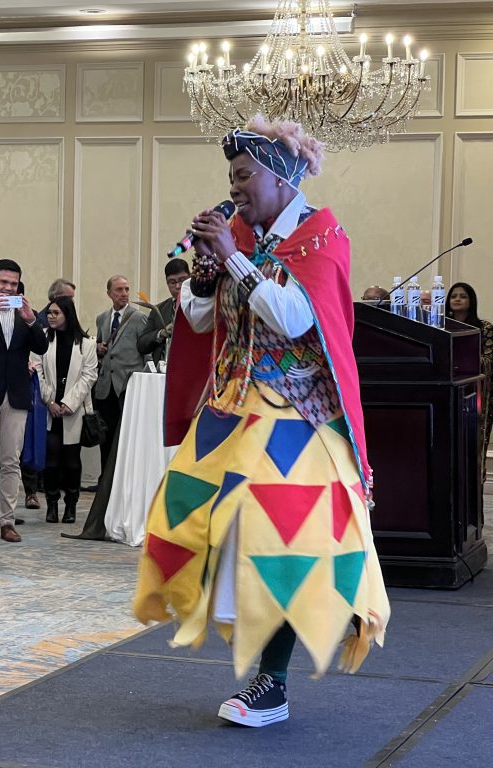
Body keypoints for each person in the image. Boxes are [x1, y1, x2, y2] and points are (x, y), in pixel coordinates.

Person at [134, 117, 390, 728]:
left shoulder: (321, 236)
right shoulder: (240, 235)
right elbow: (201, 321)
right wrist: (205, 271)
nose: (235, 187)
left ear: (281, 178)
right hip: (231, 412)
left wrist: (234, 259)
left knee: (281, 542)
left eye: (245, 175)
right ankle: (258, 664)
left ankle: (272, 683)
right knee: (195, 523)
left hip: (296, 417)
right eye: (232, 177)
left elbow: (296, 319)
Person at [0, 258, 49, 543]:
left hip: (17, 396)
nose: (8, 288)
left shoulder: (27, 315)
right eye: (3, 282)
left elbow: (42, 346)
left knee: (11, 461)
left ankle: (7, 521)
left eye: (13, 284)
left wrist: (30, 320)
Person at [31, 296, 97, 525]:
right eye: (49, 312)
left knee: (71, 462)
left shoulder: (87, 344)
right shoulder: (42, 340)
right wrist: (49, 401)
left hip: (73, 410)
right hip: (49, 409)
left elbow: (89, 376)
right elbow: (37, 372)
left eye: (56, 313)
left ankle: (71, 504)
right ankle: (52, 504)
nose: (50, 316)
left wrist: (69, 403)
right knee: (51, 461)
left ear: (67, 315)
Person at [93, 275, 147, 480]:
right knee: (105, 437)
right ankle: (105, 480)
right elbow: (100, 350)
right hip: (106, 387)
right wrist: (98, 349)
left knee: (125, 437)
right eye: (119, 290)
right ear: (109, 293)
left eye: (126, 289)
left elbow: (146, 352)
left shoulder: (138, 318)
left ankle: (124, 480)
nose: (124, 294)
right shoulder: (102, 318)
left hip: (127, 386)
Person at [447, 282, 493, 463]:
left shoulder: (485, 328)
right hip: (449, 390)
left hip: (476, 391)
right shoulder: (441, 327)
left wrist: (462, 359)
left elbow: (488, 360)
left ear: (471, 301)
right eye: (453, 296)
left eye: (463, 296)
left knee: (472, 446)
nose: (457, 299)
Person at [137, 258, 190, 368]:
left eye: (182, 280)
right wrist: (161, 333)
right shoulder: (158, 310)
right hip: (164, 371)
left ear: (190, 279)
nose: (178, 286)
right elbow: (142, 345)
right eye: (172, 282)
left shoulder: (201, 306)